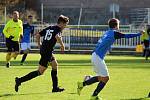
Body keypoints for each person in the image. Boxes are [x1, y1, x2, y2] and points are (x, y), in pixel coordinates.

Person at [77, 18, 142, 100]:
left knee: (101, 77)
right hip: (97, 57)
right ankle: (94, 96)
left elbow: (101, 43)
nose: (119, 26)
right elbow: (126, 36)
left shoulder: (107, 32)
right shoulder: (114, 33)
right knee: (106, 78)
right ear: (116, 25)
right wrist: (139, 34)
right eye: (118, 24)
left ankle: (82, 84)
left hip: (95, 55)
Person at [15, 15, 69, 93]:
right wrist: (62, 45)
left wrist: (39, 44)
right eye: (65, 24)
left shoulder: (50, 27)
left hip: (45, 50)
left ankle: (55, 88)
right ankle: (19, 80)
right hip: (47, 52)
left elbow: (38, 35)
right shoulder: (58, 29)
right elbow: (58, 37)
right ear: (61, 23)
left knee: (51, 66)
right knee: (44, 70)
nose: (65, 26)